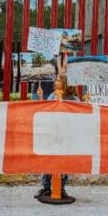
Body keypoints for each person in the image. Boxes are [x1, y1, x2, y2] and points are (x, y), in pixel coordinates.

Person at [35, 73, 80, 201]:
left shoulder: (75, 100)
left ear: (65, 84)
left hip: (67, 136)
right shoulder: (52, 95)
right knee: (50, 160)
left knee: (64, 162)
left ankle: (61, 187)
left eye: (59, 80)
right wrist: (40, 98)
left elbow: (79, 115)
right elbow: (45, 111)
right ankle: (47, 187)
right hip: (53, 133)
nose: (55, 82)